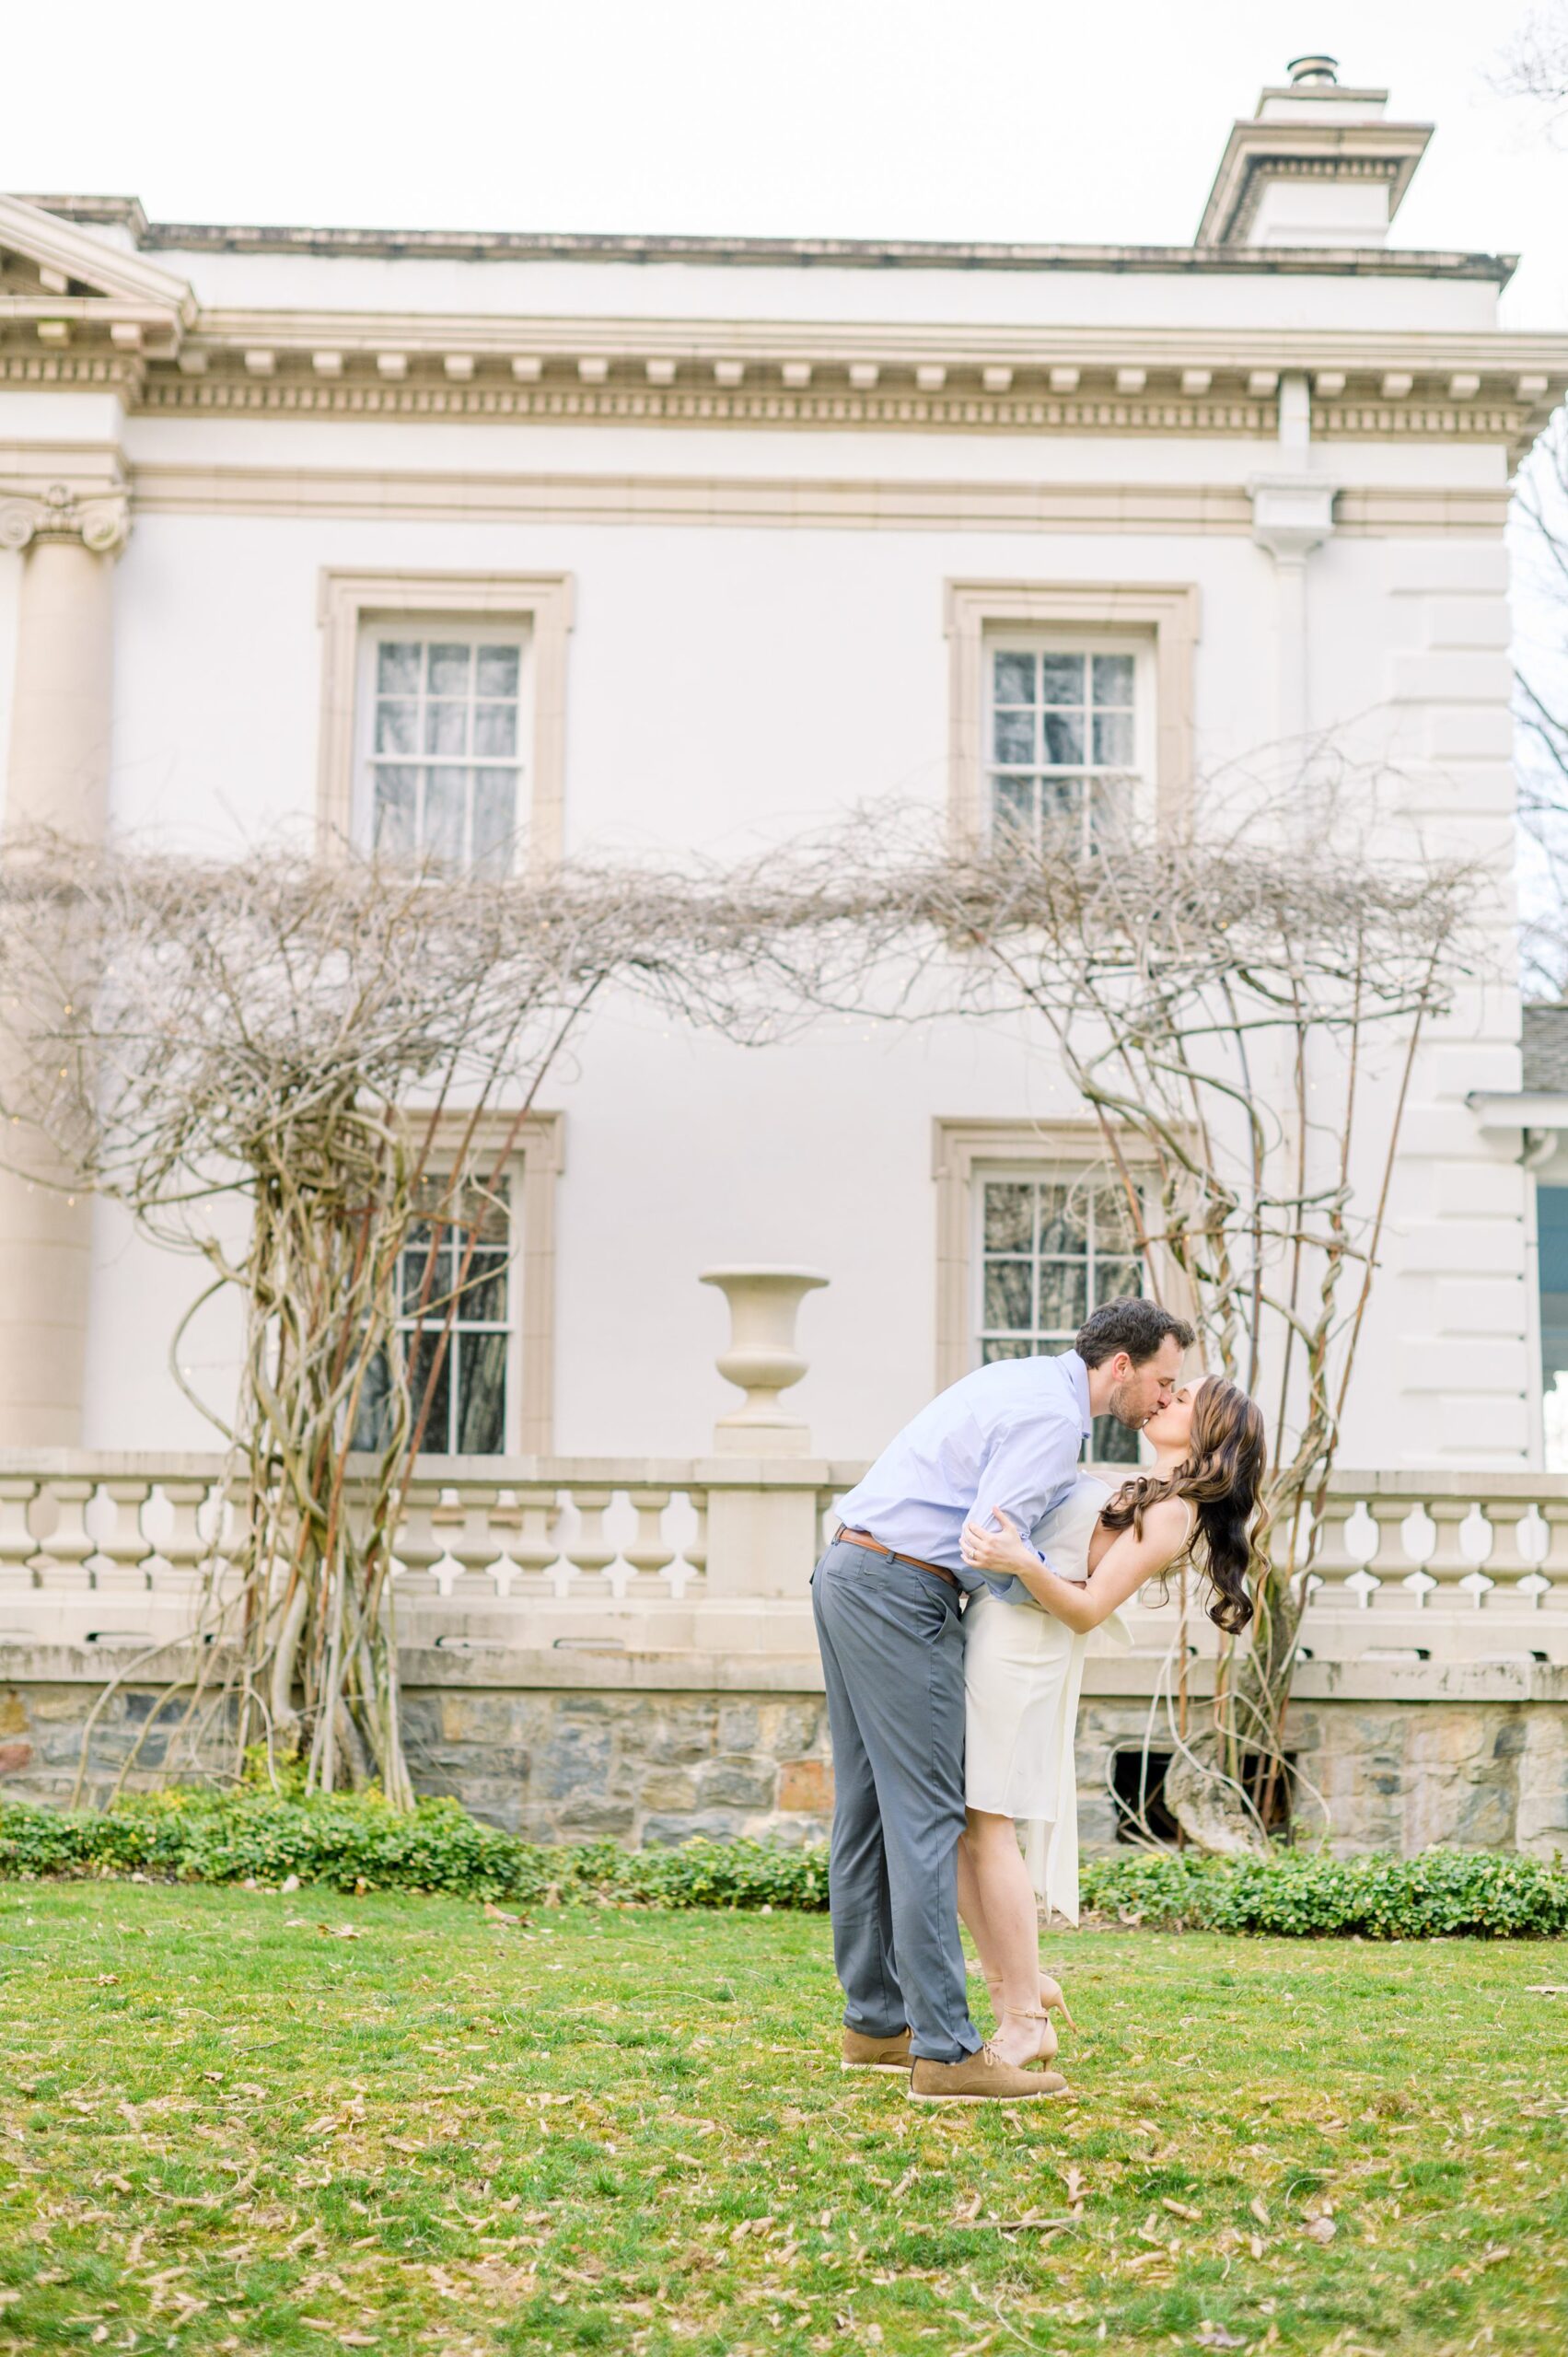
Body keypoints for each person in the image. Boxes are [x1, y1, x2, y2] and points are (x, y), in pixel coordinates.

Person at [811, 1296, 1192, 2106]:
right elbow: (986, 1543)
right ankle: (947, 2052)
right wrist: (1035, 1596)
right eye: (1161, 1380)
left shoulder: (1019, 1380)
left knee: (870, 1810)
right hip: (898, 1589)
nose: (1164, 1397)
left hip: (852, 1567)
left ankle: (874, 2026)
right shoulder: (1053, 1420)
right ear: (1119, 1366)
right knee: (926, 1817)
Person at [957, 1373, 1270, 2068]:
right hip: (992, 1633)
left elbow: (1090, 1605)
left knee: (988, 1824)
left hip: (1024, 1653)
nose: (1165, 1399)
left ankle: (1022, 2020)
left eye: (1182, 1399)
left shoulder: (1173, 1513)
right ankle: (1020, 1981)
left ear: (1208, 1432)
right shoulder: (1135, 1486)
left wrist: (1019, 1560)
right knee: (958, 1827)